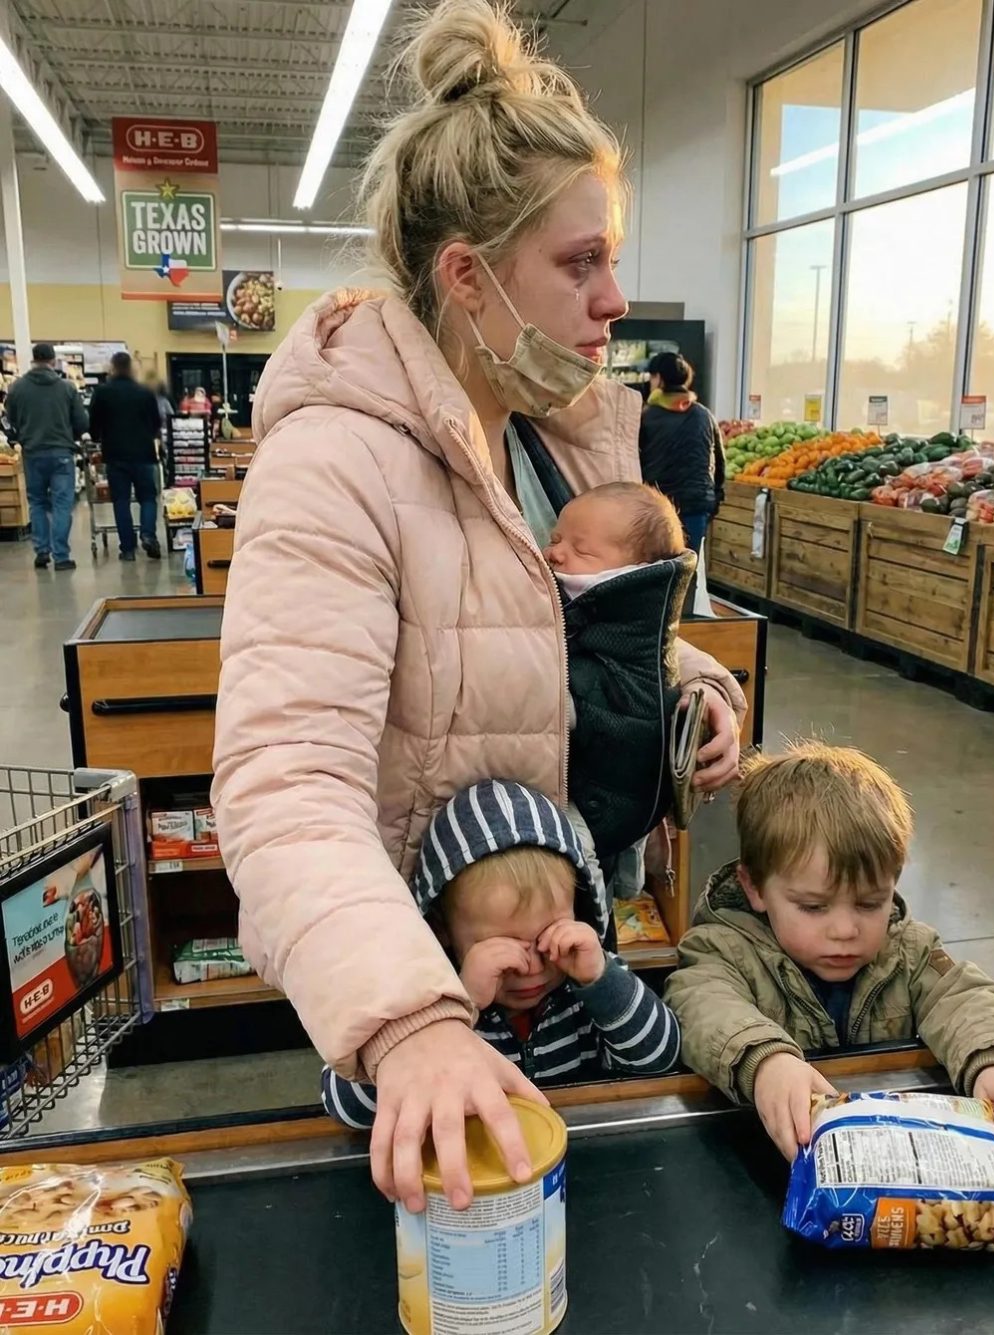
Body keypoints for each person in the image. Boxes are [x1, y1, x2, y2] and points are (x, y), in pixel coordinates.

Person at [211, 0, 745, 1217]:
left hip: (580, 953)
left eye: (609, 257)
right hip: (431, 997)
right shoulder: (337, 465)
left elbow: (586, 630)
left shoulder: (566, 442)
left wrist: (693, 686)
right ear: (466, 276)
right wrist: (407, 1024)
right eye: (578, 262)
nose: (615, 298)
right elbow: (287, 780)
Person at [664, 743, 994, 1161]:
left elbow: (964, 999)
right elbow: (701, 1002)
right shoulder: (722, 951)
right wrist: (766, 1062)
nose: (845, 930)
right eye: (813, 907)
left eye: (869, 903)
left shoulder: (909, 952)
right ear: (755, 887)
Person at [322, 780, 680, 1128]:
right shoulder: (414, 1000)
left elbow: (660, 1058)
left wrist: (601, 979)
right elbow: (348, 1109)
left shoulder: (587, 976)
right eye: (500, 945)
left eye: (548, 937)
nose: (530, 967)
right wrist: (462, 1004)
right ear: (440, 929)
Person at [544, 481, 695, 865]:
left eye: (581, 550)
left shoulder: (621, 620)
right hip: (614, 792)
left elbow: (580, 687)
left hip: (604, 799)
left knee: (578, 854)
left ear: (633, 572)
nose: (554, 554)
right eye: (555, 538)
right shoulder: (607, 608)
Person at [6, 342, 89, 571]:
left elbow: (8, 419)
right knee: (62, 504)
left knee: (37, 502)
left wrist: (20, 436)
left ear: (34, 359)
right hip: (62, 453)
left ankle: (42, 551)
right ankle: (61, 556)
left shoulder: (17, 388)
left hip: (32, 453)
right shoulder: (67, 388)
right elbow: (82, 423)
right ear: (53, 361)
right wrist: (69, 434)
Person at [639, 351, 725, 559]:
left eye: (652, 377)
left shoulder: (647, 417)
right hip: (697, 504)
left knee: (659, 568)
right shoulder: (703, 414)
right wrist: (715, 498)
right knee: (689, 565)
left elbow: (634, 459)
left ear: (659, 378)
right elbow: (719, 460)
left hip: (659, 506)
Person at [89, 352, 162, 561]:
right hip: (143, 454)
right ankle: (148, 534)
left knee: (121, 501)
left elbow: (94, 424)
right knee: (148, 497)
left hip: (115, 455)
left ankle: (127, 549)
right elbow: (156, 424)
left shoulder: (102, 393)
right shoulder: (144, 393)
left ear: (112, 368)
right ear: (131, 368)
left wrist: (98, 437)